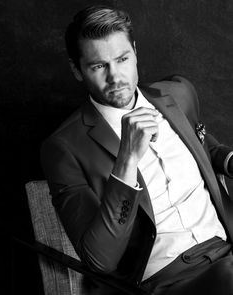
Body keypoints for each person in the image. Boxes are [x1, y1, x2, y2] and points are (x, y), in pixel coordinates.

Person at [41, 5, 233, 295]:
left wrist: (228, 160)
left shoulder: (177, 94)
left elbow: (205, 145)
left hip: (226, 249)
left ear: (135, 51)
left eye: (122, 59)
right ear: (77, 70)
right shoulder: (63, 148)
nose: (115, 76)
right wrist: (127, 159)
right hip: (166, 280)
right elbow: (99, 260)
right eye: (98, 66)